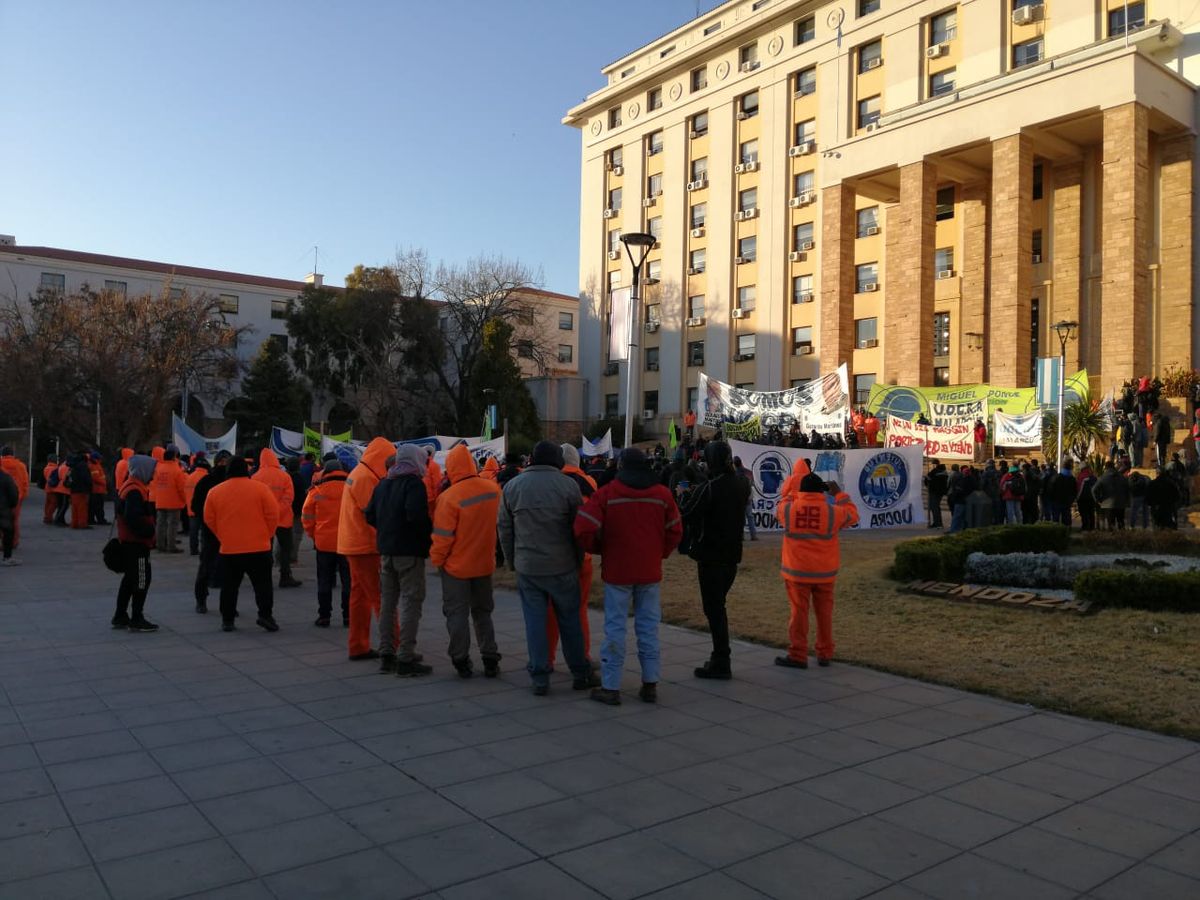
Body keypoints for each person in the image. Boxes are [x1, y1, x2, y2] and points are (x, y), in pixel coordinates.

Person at [575, 447, 682, 706]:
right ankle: (650, 684)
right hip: (649, 571)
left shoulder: (608, 494)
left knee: (615, 628)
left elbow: (583, 528)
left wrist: (601, 548)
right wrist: (660, 553)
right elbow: (675, 530)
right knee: (648, 628)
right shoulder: (662, 494)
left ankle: (611, 687)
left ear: (621, 466)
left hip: (617, 572)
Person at [498, 440, 595, 696]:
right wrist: (576, 560)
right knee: (570, 620)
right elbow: (579, 529)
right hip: (562, 565)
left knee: (535, 622)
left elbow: (505, 529)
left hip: (528, 567)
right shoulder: (568, 486)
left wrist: (512, 561)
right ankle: (580, 672)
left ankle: (540, 676)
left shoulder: (512, 486)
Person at [430, 443, 502, 678]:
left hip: (456, 567)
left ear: (450, 467)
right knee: (483, 612)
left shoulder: (449, 497)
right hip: (484, 563)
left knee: (456, 613)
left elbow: (442, 537)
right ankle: (490, 657)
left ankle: (461, 659)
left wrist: (437, 560)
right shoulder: (493, 489)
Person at [678, 440, 749, 680]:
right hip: (732, 555)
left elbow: (686, 513)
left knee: (715, 609)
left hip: (710, 556)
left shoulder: (709, 488)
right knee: (718, 607)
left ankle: (722, 659)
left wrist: (682, 494)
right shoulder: (741, 484)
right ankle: (720, 657)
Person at [775, 472, 859, 669]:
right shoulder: (833, 512)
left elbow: (781, 504)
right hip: (825, 573)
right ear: (823, 490)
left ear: (801, 490)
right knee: (824, 615)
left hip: (797, 572)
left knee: (798, 614)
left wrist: (792, 490)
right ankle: (825, 652)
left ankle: (798, 654)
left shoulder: (788, 510)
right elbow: (853, 515)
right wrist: (840, 494)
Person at [365, 444, 433, 673]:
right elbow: (417, 517)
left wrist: (386, 530)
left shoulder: (383, 483)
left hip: (386, 551)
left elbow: (370, 514)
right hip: (408, 552)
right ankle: (405, 656)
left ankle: (386, 653)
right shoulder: (414, 484)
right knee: (411, 603)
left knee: (388, 603)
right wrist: (426, 539)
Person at [340, 438, 402, 661]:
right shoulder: (366, 478)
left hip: (354, 544)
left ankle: (358, 645)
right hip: (366, 546)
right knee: (382, 597)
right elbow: (376, 515)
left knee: (360, 597)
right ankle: (395, 646)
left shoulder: (359, 473)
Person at [203, 456, 280, 632]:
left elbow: (209, 518)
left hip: (230, 547)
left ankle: (228, 619)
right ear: (246, 469)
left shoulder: (215, 492)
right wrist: (267, 535)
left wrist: (222, 534)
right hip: (259, 546)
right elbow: (272, 515)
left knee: (229, 586)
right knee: (263, 585)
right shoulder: (261, 489)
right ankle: (265, 615)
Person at [546, 444, 597, 668]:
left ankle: (546, 658)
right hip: (582, 557)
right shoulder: (590, 483)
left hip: (555, 558)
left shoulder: (551, 485)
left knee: (550, 611)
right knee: (579, 609)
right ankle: (582, 657)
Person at [302, 458, 352, 629]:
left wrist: (314, 535)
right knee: (348, 581)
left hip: (324, 543)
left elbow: (307, 517)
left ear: (326, 472)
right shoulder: (352, 488)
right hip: (347, 542)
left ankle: (324, 616)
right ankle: (348, 616)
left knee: (324, 580)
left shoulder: (316, 490)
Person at [112, 454, 159, 631]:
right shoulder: (134, 490)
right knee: (141, 579)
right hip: (136, 543)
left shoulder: (130, 485)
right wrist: (149, 531)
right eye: (152, 470)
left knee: (130, 579)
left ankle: (120, 615)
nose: (154, 474)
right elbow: (133, 517)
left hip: (130, 542)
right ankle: (136, 618)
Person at [252, 449, 301, 588]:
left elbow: (255, 500)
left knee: (265, 549)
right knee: (286, 548)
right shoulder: (285, 476)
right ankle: (285, 576)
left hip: (264, 521)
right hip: (283, 519)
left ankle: (264, 577)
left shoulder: (255, 477)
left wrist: (269, 514)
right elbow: (288, 498)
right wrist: (278, 511)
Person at [191, 451, 229, 614]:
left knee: (209, 566)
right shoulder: (216, 482)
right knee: (226, 569)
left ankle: (203, 600)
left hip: (212, 531)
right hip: (223, 532)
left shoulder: (206, 481)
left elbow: (195, 506)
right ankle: (226, 606)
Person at [151, 446, 187, 551]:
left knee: (160, 523)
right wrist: (184, 500)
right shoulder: (177, 470)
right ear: (173, 458)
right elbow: (181, 488)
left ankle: (160, 545)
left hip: (160, 501)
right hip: (173, 502)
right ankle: (171, 546)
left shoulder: (158, 469)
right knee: (173, 524)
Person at [0, 446, 29, 550]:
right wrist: (24, 495)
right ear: (13, 454)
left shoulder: (1, 464)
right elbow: (25, 482)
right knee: (14, 520)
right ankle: (13, 542)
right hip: (17, 496)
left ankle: (3, 542)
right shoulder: (21, 466)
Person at [184, 455, 209, 555]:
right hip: (203, 508)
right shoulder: (206, 477)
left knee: (193, 531)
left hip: (191, 508)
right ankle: (204, 549)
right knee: (204, 531)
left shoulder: (189, 477)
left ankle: (193, 549)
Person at [67, 452, 92, 529]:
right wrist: (89, 486)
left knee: (74, 508)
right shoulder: (83, 466)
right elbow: (86, 478)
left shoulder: (73, 466)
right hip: (81, 490)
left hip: (73, 490)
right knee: (82, 508)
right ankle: (82, 524)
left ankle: (74, 523)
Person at [0, 466, 19, 566]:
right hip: (3, 509)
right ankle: (7, 557)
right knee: (8, 533)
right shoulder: (6, 477)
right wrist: (11, 505)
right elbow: (13, 494)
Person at [924, 460, 948, 529]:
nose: (932, 465)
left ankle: (938, 523)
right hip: (937, 492)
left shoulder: (937, 472)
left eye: (933, 464)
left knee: (934, 507)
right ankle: (937, 522)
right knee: (934, 507)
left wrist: (928, 480)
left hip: (936, 492)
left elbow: (932, 481)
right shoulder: (939, 471)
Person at [1076, 465, 1098, 532]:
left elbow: (1078, 487)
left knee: (1084, 513)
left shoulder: (1081, 476)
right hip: (1092, 498)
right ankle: (1092, 527)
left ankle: (1085, 527)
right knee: (1091, 513)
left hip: (1082, 498)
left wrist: (1077, 497)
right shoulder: (1093, 477)